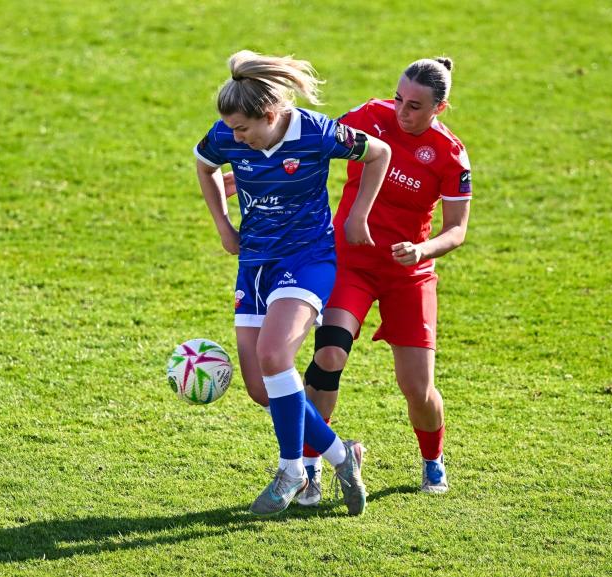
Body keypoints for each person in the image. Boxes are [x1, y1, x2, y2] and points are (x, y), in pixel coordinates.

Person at [194, 50, 391, 516]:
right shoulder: (229, 133)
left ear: (270, 115)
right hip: (255, 263)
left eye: (242, 129)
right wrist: (224, 226)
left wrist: (358, 215)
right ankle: (343, 455)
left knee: (274, 355)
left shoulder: (317, 132)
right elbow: (204, 165)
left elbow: (378, 152)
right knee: (262, 388)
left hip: (308, 259)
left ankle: (291, 470)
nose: (234, 137)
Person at [296, 57, 471, 503]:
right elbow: (310, 144)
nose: (401, 111)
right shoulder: (371, 116)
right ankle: (311, 466)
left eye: (415, 106)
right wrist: (243, 178)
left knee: (417, 386)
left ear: (440, 108)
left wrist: (421, 250)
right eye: (398, 98)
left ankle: (433, 460)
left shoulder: (450, 154)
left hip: (408, 273)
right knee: (330, 355)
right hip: (351, 261)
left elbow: (457, 230)